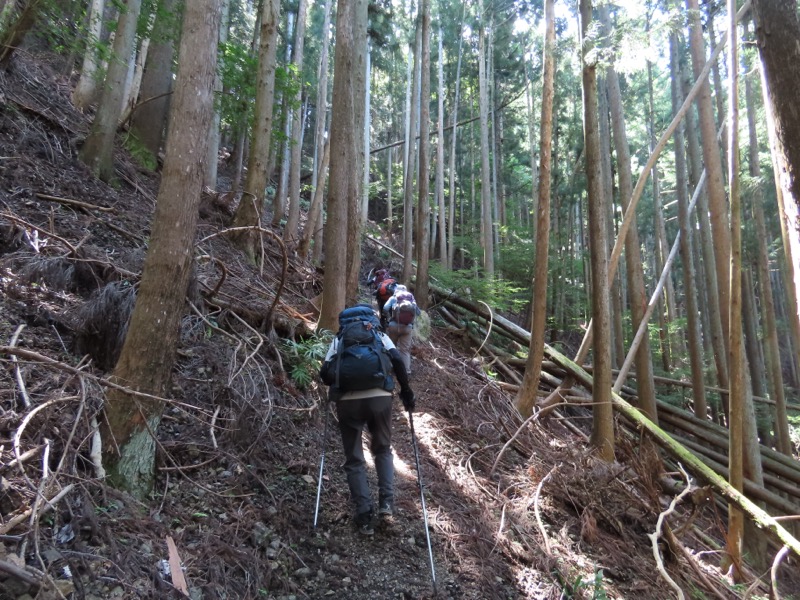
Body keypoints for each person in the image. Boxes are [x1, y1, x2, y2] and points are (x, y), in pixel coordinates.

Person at [319, 305, 416, 535]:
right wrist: (406, 392)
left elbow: (325, 374)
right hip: (380, 398)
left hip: (348, 403)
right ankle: (386, 504)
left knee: (354, 458)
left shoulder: (340, 338)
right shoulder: (379, 335)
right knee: (382, 450)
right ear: (370, 319)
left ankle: (363, 514)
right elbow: (398, 362)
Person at [382, 285, 420, 375]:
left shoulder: (393, 298)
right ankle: (406, 371)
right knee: (405, 350)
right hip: (407, 328)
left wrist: (388, 318)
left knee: (391, 347)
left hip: (393, 326)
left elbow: (385, 308)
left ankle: (389, 368)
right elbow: (418, 312)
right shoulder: (411, 299)